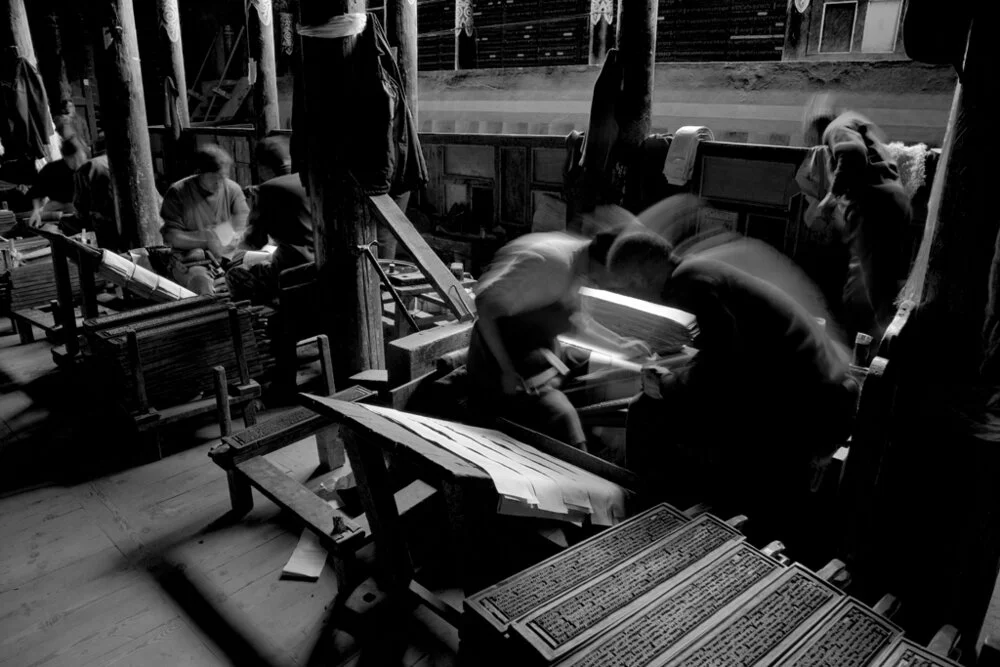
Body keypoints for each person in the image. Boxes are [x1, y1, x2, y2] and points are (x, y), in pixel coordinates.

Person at [606, 231, 857, 541]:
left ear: (644, 271)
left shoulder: (688, 282)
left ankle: (654, 522)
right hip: (819, 387)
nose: (638, 294)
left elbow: (723, 363)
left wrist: (667, 384)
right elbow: (730, 350)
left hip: (806, 403)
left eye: (632, 285)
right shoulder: (699, 269)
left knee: (645, 411)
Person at [466, 212, 651, 451]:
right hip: (500, 362)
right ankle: (580, 461)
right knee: (563, 417)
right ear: (604, 267)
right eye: (616, 280)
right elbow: (484, 305)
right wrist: (507, 370)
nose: (614, 285)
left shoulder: (582, 257)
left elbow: (576, 319)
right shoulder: (550, 265)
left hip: (540, 348)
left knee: (614, 371)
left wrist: (620, 344)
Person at [813, 110, 913, 340]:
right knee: (866, 288)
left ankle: (887, 348)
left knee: (877, 294)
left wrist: (831, 197)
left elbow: (853, 153)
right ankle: (865, 342)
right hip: (892, 205)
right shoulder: (854, 124)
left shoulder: (835, 128)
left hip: (873, 209)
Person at [225, 136, 314, 305]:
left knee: (235, 275)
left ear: (263, 167)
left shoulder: (267, 190)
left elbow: (254, 242)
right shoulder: (310, 180)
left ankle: (263, 314)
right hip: (323, 262)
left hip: (294, 269)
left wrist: (226, 244)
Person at [160, 145, 249, 295]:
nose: (220, 183)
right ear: (199, 174)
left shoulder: (232, 189)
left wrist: (232, 237)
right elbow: (172, 236)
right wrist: (206, 241)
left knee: (264, 262)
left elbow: (243, 222)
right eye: (215, 178)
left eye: (223, 177)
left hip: (229, 253)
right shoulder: (178, 192)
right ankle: (211, 309)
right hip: (193, 258)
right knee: (200, 282)